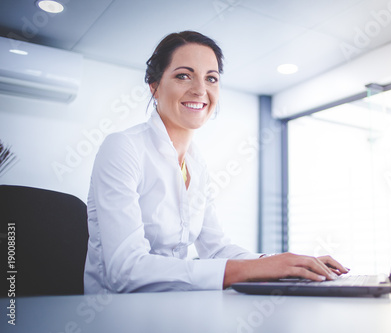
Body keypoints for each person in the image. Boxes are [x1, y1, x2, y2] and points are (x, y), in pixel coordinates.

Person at [84, 30, 348, 294]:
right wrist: (257, 270)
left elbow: (217, 249)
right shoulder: (123, 148)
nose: (200, 90)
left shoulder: (196, 164)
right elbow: (126, 271)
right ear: (154, 85)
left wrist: (283, 264)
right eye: (183, 76)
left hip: (172, 308)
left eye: (211, 78)